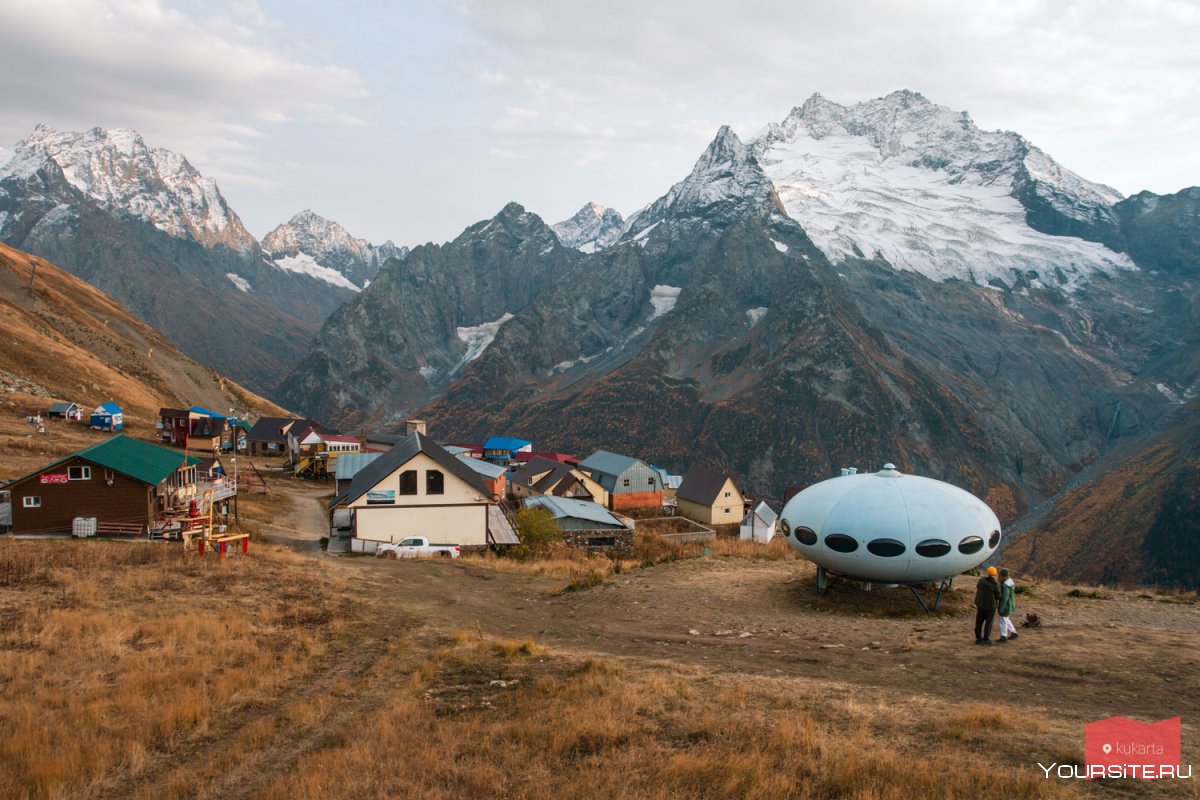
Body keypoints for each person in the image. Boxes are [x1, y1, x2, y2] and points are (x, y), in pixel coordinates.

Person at [974, 566, 1001, 645]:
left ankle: (978, 638)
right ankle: (986, 638)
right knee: (988, 623)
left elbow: (978, 587)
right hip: (990, 606)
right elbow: (998, 595)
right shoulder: (995, 583)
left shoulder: (981, 580)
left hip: (980, 604)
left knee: (979, 621)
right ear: (995, 574)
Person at [997, 567, 1019, 642]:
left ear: (1003, 576)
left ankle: (1003, 636)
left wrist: (1001, 608)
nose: (998, 577)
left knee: (1002, 620)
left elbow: (1004, 598)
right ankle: (1014, 632)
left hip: (1005, 606)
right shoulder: (1011, 583)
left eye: (999, 575)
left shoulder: (1005, 586)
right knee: (1006, 619)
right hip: (1010, 604)